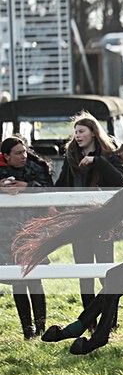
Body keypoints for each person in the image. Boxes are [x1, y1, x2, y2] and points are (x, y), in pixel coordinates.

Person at [57, 111, 123, 321]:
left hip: (104, 223)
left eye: (81, 131)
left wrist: (97, 161)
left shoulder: (109, 156)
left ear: (93, 133)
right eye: (75, 132)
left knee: (106, 273)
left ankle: (109, 319)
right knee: (84, 273)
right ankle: (88, 321)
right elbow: (60, 186)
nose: (77, 135)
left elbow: (119, 181)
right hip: (79, 223)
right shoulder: (71, 158)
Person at [0, 136, 54, 339]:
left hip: (33, 230)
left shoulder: (36, 168)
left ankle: (41, 327)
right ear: (6, 156)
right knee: (18, 281)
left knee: (35, 278)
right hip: (7, 233)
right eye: (17, 153)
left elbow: (49, 189)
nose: (23, 156)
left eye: (24, 151)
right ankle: (27, 329)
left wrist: (26, 186)